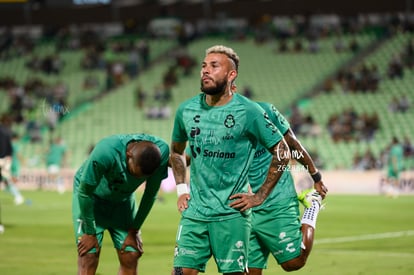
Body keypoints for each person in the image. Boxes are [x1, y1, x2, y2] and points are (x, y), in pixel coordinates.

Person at [170, 45, 290, 275]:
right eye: (204, 65)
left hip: (232, 213)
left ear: (231, 74)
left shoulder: (249, 111)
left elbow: (282, 150)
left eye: (214, 66)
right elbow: (175, 152)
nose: (205, 71)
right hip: (195, 212)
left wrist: (260, 195)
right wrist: (181, 189)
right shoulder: (186, 110)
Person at [246, 101, 328, 274]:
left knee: (294, 262)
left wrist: (316, 176)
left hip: (277, 197)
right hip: (243, 204)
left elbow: (292, 143)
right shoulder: (215, 121)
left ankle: (312, 205)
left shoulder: (264, 110)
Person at [72, 133, 170, 275]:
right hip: (91, 198)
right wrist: (90, 232)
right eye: (135, 173)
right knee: (89, 254)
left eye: (143, 177)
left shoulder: (161, 153)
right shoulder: (106, 151)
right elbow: (84, 193)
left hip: (123, 200)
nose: (137, 179)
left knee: (131, 253)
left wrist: (134, 230)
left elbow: (150, 195)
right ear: (129, 154)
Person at [0, 121, 24, 205]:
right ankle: (17, 195)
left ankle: (18, 196)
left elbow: (16, 155)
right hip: (9, 165)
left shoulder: (12, 144)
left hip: (11, 166)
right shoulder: (12, 144)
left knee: (9, 181)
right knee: (7, 181)